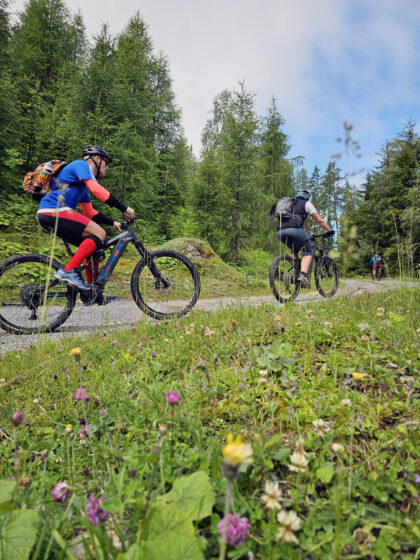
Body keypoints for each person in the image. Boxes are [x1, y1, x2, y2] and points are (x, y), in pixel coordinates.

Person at [37, 145, 135, 297]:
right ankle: (69, 271)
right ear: (97, 159)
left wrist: (113, 223)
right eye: (106, 163)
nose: (107, 167)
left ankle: (91, 294)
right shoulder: (81, 165)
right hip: (54, 210)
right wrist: (124, 208)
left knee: (93, 249)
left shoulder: (81, 185)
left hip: (50, 213)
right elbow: (97, 190)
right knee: (100, 233)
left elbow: (89, 212)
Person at [276, 189, 334, 288]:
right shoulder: (307, 204)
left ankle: (292, 274)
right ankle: (302, 275)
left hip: (280, 231)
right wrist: (329, 230)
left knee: (295, 250)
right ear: (307, 196)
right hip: (295, 229)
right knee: (308, 250)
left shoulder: (288, 204)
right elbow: (320, 221)